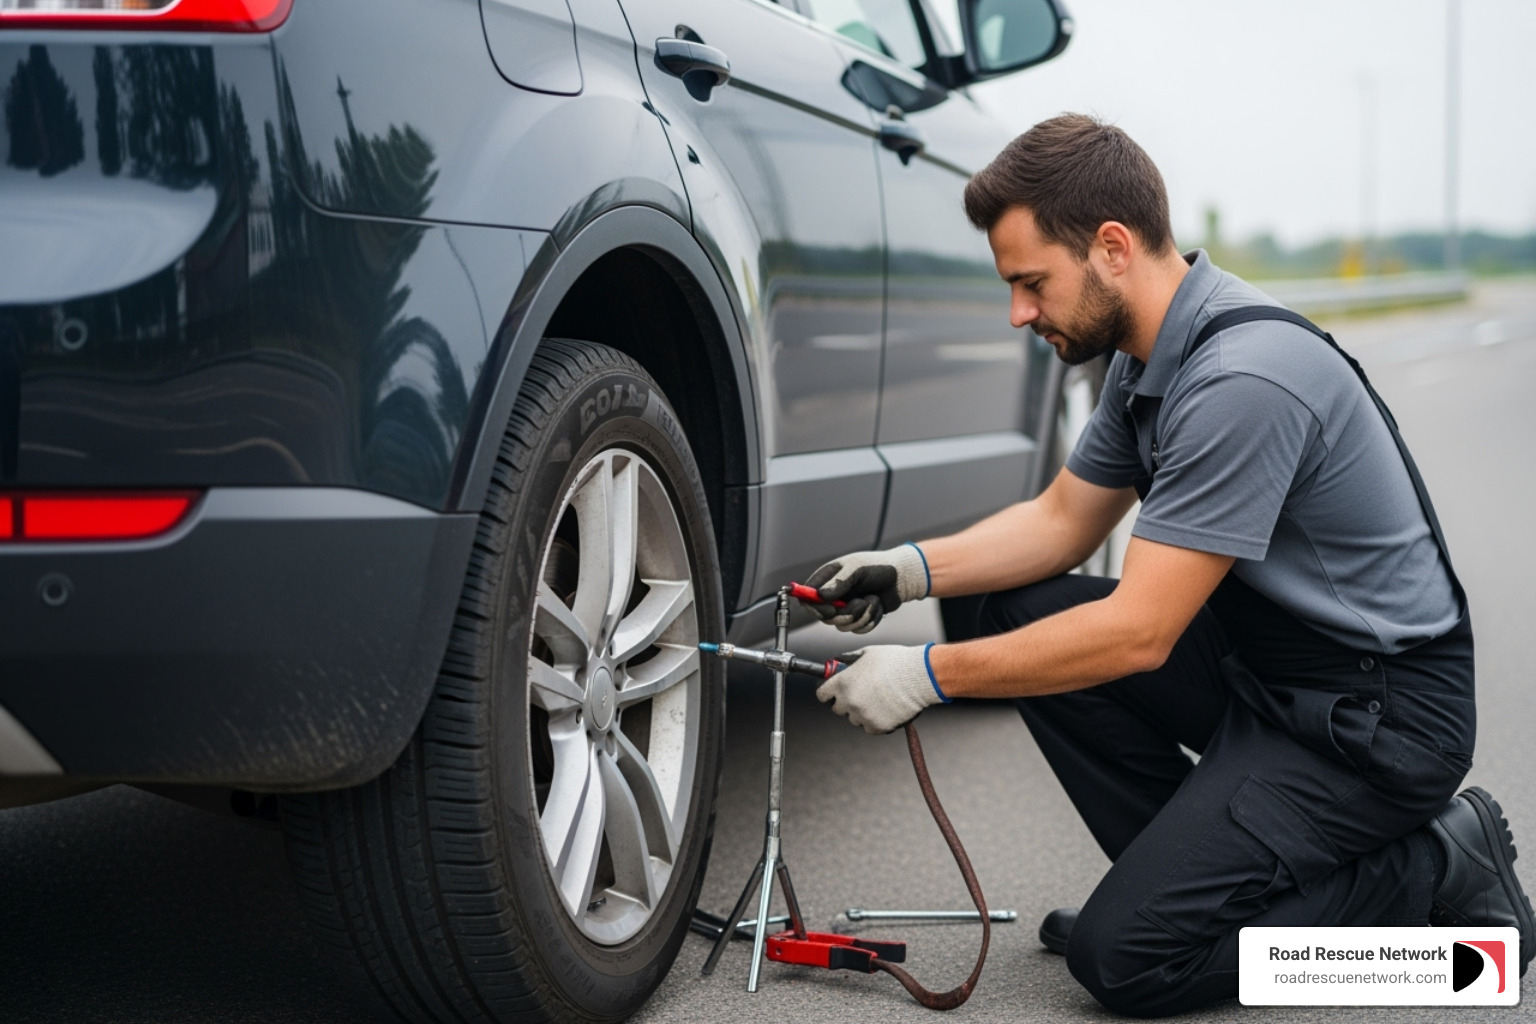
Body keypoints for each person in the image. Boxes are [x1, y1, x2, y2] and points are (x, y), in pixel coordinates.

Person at [801, 114, 1533, 1016]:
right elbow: (1062, 523)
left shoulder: (1240, 379)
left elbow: (1141, 633)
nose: (1019, 312)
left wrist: (927, 674)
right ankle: (1184, 901)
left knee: (1129, 964)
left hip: (1375, 720)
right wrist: (910, 570)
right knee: (1009, 606)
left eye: (1032, 283)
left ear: (1111, 247)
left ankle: (1431, 867)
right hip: (1272, 668)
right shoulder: (1148, 357)